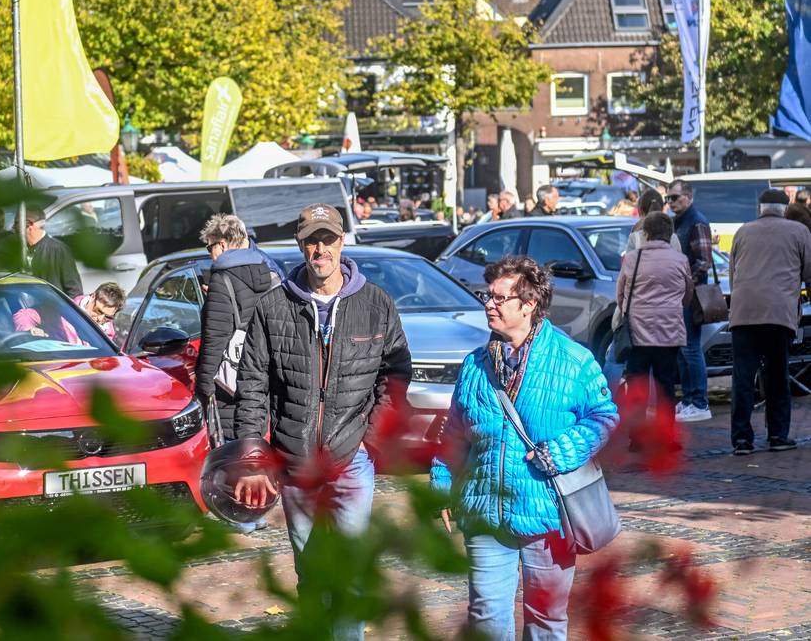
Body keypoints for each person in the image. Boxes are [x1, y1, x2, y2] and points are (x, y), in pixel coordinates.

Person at [234, 203, 411, 640]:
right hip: (296, 462)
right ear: (301, 245)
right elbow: (252, 383)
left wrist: (371, 439)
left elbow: (396, 373)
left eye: (328, 239)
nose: (321, 249)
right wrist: (254, 452)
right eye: (312, 240)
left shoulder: (375, 304)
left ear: (342, 241)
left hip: (352, 458)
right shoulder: (273, 306)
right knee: (310, 570)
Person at [431, 256, 618, 640]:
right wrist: (441, 484)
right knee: (485, 615)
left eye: (500, 298)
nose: (489, 305)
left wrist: (561, 452)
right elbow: (454, 432)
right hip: (485, 508)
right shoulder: (475, 365)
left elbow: (604, 416)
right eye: (488, 296)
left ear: (529, 304)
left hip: (548, 512)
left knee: (546, 618)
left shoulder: (573, 360)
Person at [728, 188, 811, 455]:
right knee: (777, 375)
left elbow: (733, 275)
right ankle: (777, 435)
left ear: (760, 208)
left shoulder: (742, 231)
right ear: (785, 209)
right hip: (778, 314)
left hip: (743, 314)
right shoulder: (799, 232)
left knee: (742, 377)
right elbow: (809, 272)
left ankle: (741, 439)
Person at [196, 214, 276, 443]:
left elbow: (215, 338)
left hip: (232, 383)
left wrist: (204, 386)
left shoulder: (222, 279)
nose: (210, 255)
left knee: (234, 448)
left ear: (221, 245)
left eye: (209, 247)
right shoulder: (269, 272)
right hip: (264, 373)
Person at [617, 212, 692, 452]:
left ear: (645, 233)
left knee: (637, 385)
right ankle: (666, 438)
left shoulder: (632, 259)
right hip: (669, 332)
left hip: (637, 332)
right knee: (666, 387)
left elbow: (620, 295)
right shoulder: (680, 260)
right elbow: (687, 294)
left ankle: (636, 437)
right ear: (670, 234)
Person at [665, 180, 713, 422]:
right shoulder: (680, 221)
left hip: (690, 296)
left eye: (675, 197)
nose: (671, 202)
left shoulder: (696, 221)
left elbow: (704, 261)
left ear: (688, 197)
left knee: (690, 348)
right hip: (681, 294)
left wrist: (685, 285)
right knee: (683, 349)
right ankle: (689, 399)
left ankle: (699, 401)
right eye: (669, 198)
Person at [23, 205, 82, 297]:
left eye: (17, 224)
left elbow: (74, 290)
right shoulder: (21, 249)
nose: (13, 228)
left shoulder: (58, 250)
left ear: (30, 226)